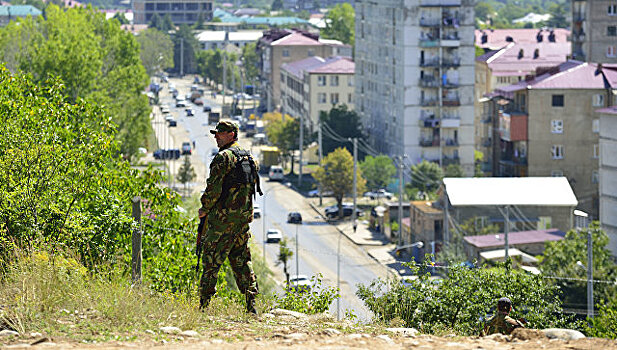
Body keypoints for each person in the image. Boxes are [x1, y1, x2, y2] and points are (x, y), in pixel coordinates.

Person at [198, 120, 260, 313]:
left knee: (211, 261)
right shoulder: (250, 158)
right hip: (241, 221)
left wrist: (204, 208)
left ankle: (204, 306)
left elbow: (213, 190)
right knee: (241, 260)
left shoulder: (223, 158)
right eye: (216, 133)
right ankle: (251, 305)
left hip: (221, 222)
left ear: (232, 135)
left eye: (220, 133)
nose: (216, 136)